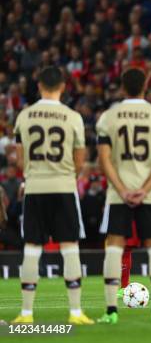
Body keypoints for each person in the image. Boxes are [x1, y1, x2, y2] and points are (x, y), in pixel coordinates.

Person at [12, 66, 94, 325]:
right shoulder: (72, 117)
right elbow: (79, 160)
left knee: (32, 248)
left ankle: (26, 314)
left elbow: (19, 159)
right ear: (62, 87)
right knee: (70, 247)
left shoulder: (24, 116)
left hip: (35, 187)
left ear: (39, 86)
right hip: (63, 187)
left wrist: (32, 175)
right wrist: (68, 175)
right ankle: (75, 312)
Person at [97, 68, 151, 324]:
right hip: (150, 194)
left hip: (119, 193)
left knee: (114, 247)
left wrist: (121, 189)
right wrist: (146, 188)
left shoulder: (108, 117)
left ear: (122, 88)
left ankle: (110, 312)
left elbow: (104, 159)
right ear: (145, 88)